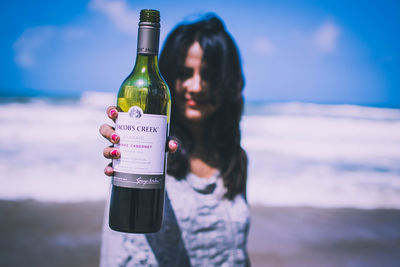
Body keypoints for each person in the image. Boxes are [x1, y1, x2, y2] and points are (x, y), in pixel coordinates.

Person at [99, 13, 249, 266]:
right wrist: (127, 147)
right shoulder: (158, 150)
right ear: (167, 75)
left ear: (228, 81)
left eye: (209, 75)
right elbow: (119, 253)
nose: (197, 86)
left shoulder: (234, 157)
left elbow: (238, 254)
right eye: (185, 72)